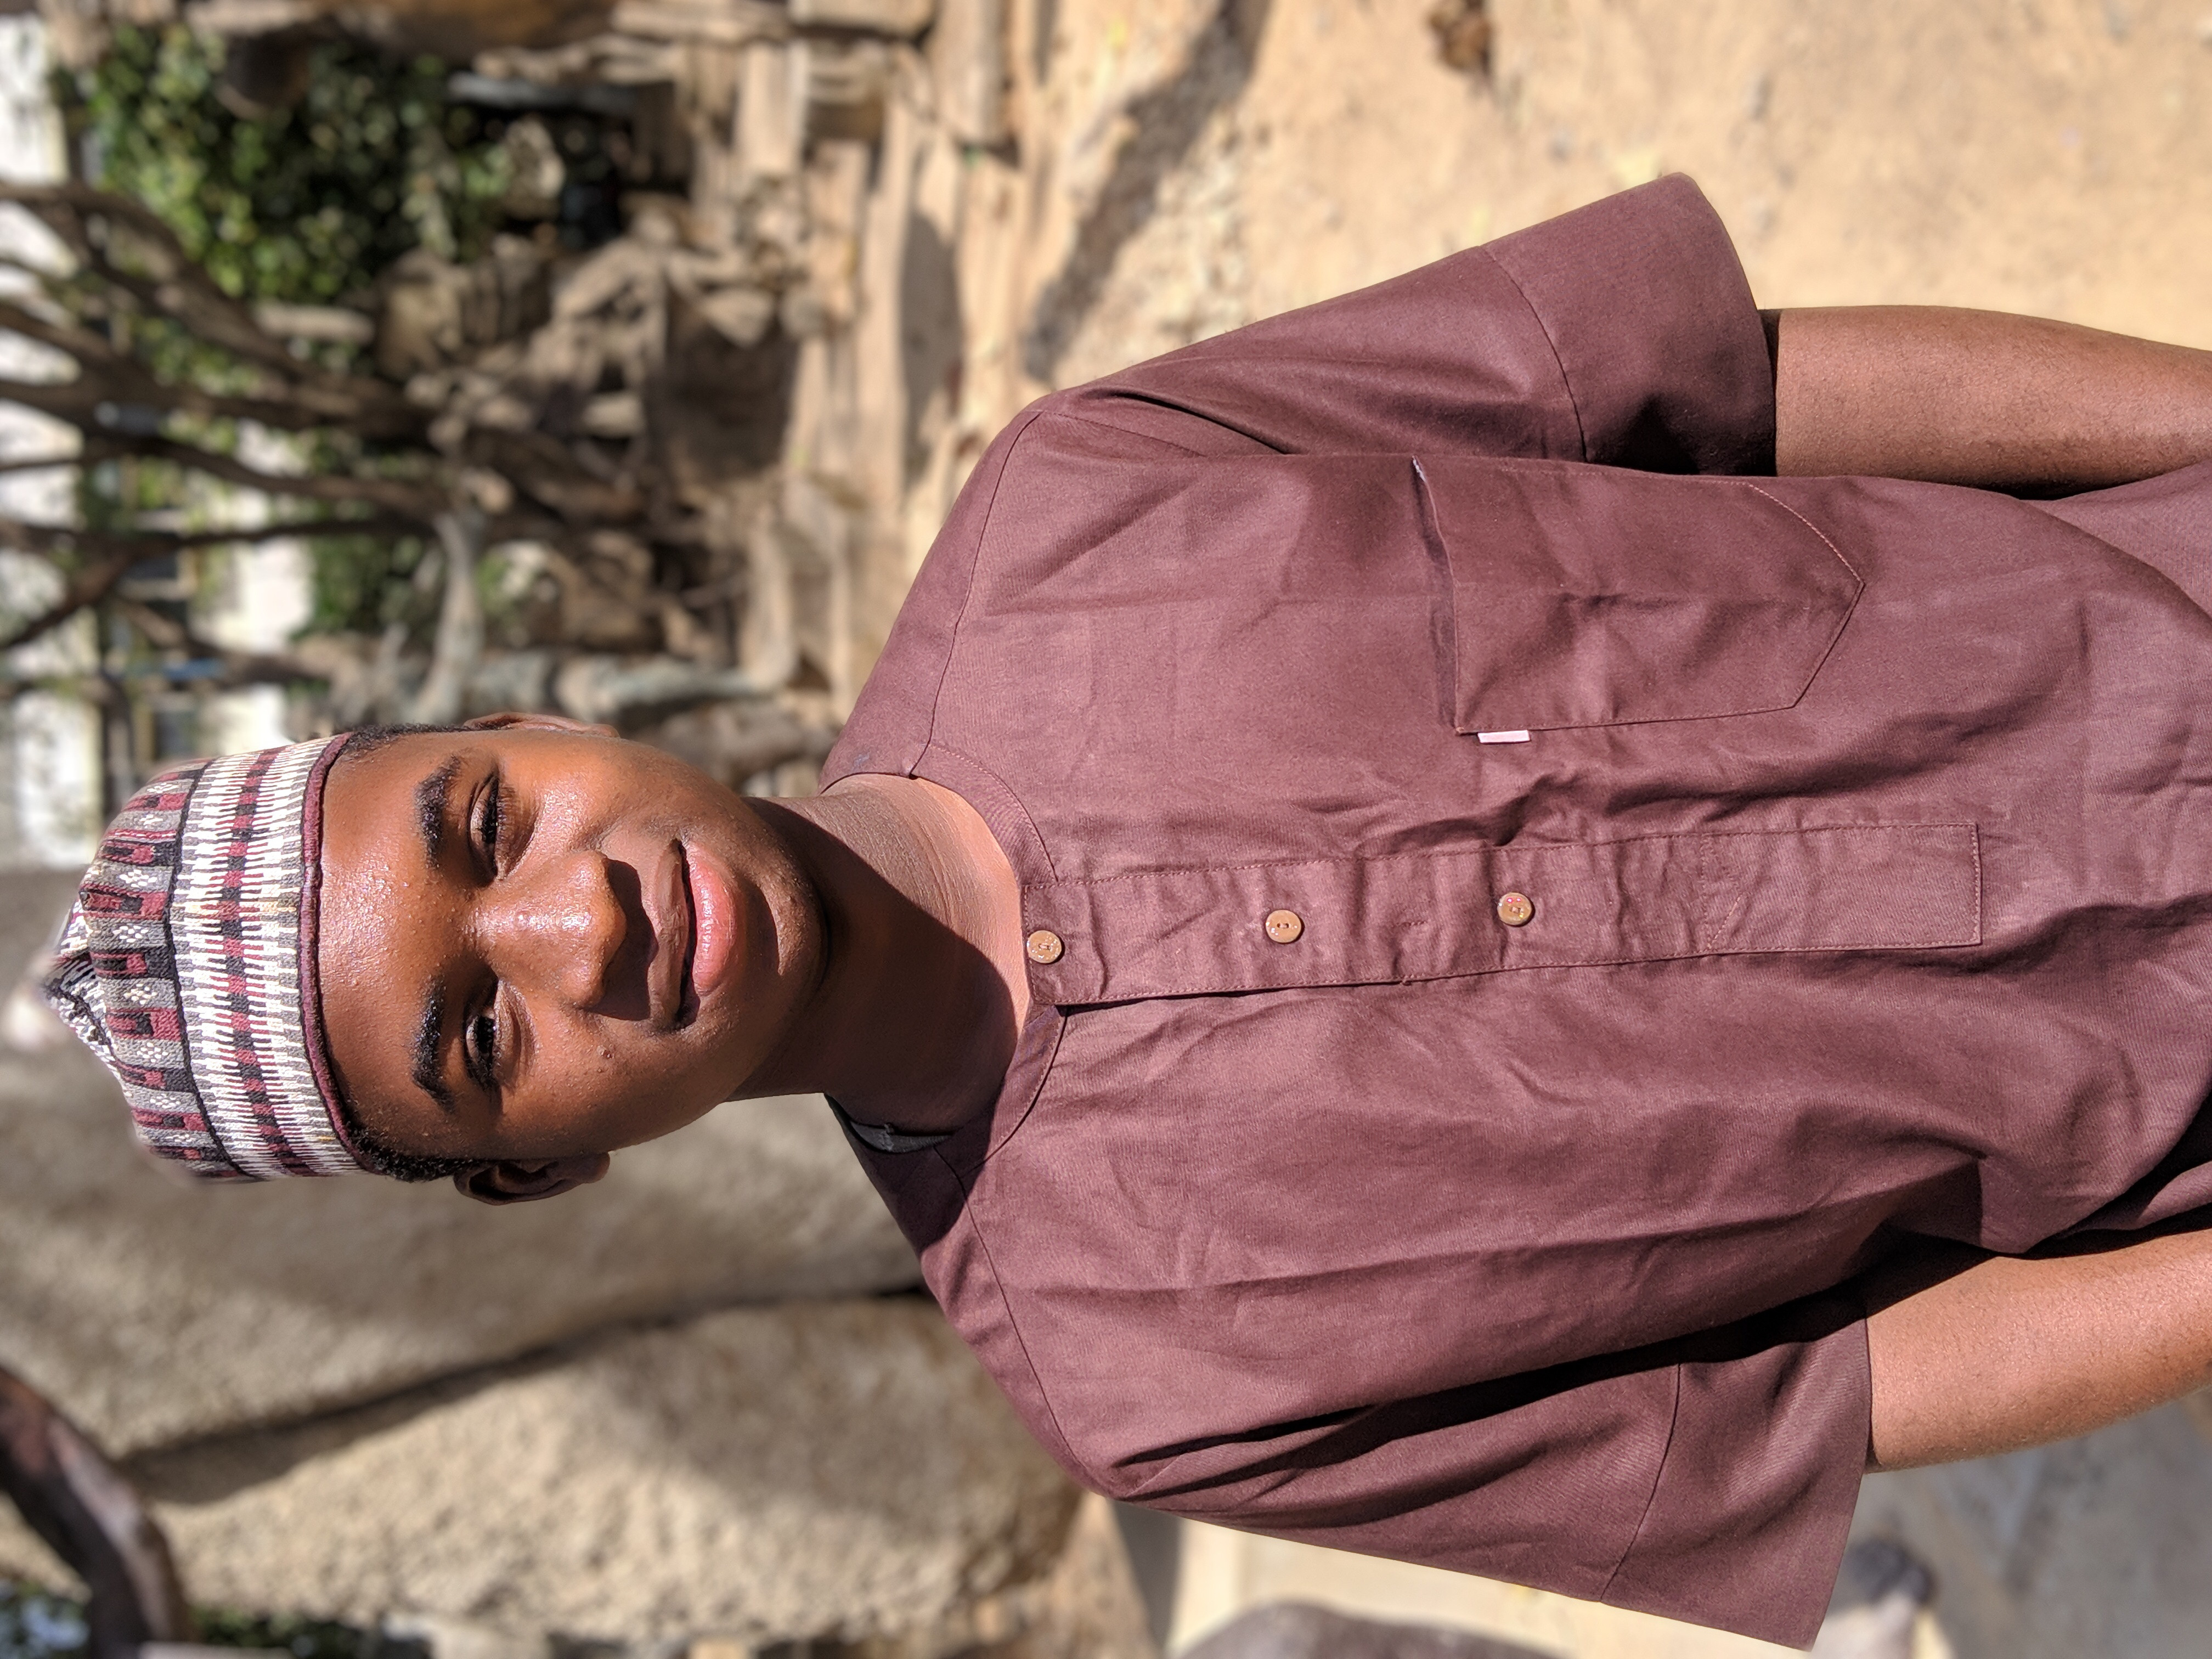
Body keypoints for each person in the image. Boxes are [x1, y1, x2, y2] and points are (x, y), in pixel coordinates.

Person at [44, 176, 2212, 1649]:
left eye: (484, 827)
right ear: (537, 1170)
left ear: (529, 724)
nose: (571, 931)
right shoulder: (1144, 1381)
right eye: (478, 1036)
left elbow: (1726, 386)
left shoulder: (1085, 492)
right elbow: (1821, 1404)